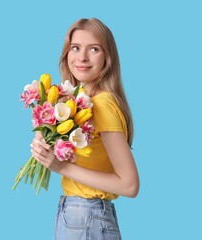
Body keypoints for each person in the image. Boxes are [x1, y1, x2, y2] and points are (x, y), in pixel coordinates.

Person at [30, 18, 139, 240]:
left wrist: (61, 167)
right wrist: (46, 132)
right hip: (78, 215)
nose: (82, 57)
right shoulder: (79, 102)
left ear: (107, 58)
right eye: (76, 48)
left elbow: (129, 185)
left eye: (94, 49)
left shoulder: (102, 104)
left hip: (86, 216)